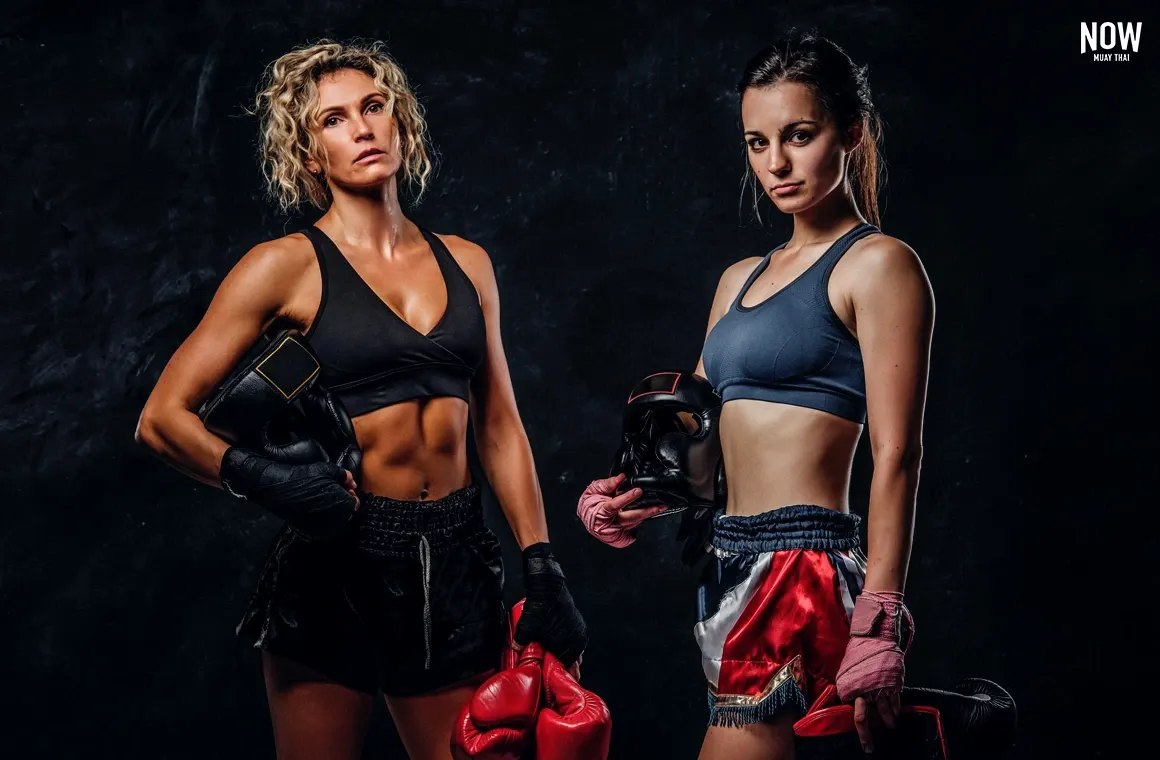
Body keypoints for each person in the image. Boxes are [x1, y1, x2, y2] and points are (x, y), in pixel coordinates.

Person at [134, 39, 586, 760]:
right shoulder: (283, 266)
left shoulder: (467, 262)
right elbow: (161, 420)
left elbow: (498, 423)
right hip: (339, 564)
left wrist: (542, 563)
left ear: (400, 123)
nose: (363, 128)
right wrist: (266, 481)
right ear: (311, 154)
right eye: (334, 120)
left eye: (374, 107)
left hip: (456, 558)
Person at [576, 31, 935, 759]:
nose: (776, 163)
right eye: (757, 142)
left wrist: (882, 612)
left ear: (852, 134)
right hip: (730, 560)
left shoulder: (877, 265)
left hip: (802, 569)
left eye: (800, 136)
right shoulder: (736, 279)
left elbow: (899, 452)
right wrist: (636, 491)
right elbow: (701, 442)